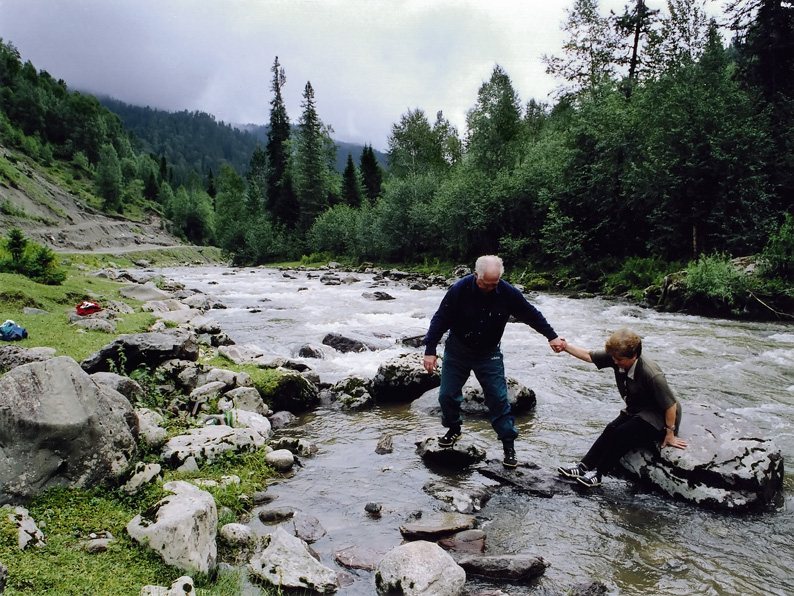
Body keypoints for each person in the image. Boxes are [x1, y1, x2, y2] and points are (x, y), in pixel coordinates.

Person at [423, 255, 566, 468]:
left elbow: (531, 314)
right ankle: (454, 429)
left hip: (488, 354)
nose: (490, 288)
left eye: (494, 284)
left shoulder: (507, 293)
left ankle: (509, 446)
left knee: (499, 399)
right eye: (485, 283)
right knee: (446, 395)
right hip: (458, 350)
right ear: (476, 275)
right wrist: (430, 350)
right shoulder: (460, 289)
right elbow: (440, 318)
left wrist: (551, 336)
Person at [558, 328, 688, 488]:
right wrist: (565, 346)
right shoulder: (617, 356)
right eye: (613, 358)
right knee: (611, 427)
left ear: (634, 356)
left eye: (618, 359)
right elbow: (589, 356)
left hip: (659, 414)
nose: (614, 362)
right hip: (638, 408)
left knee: (623, 432)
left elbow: (670, 405)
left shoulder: (651, 373)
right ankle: (583, 467)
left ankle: (599, 474)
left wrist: (670, 433)